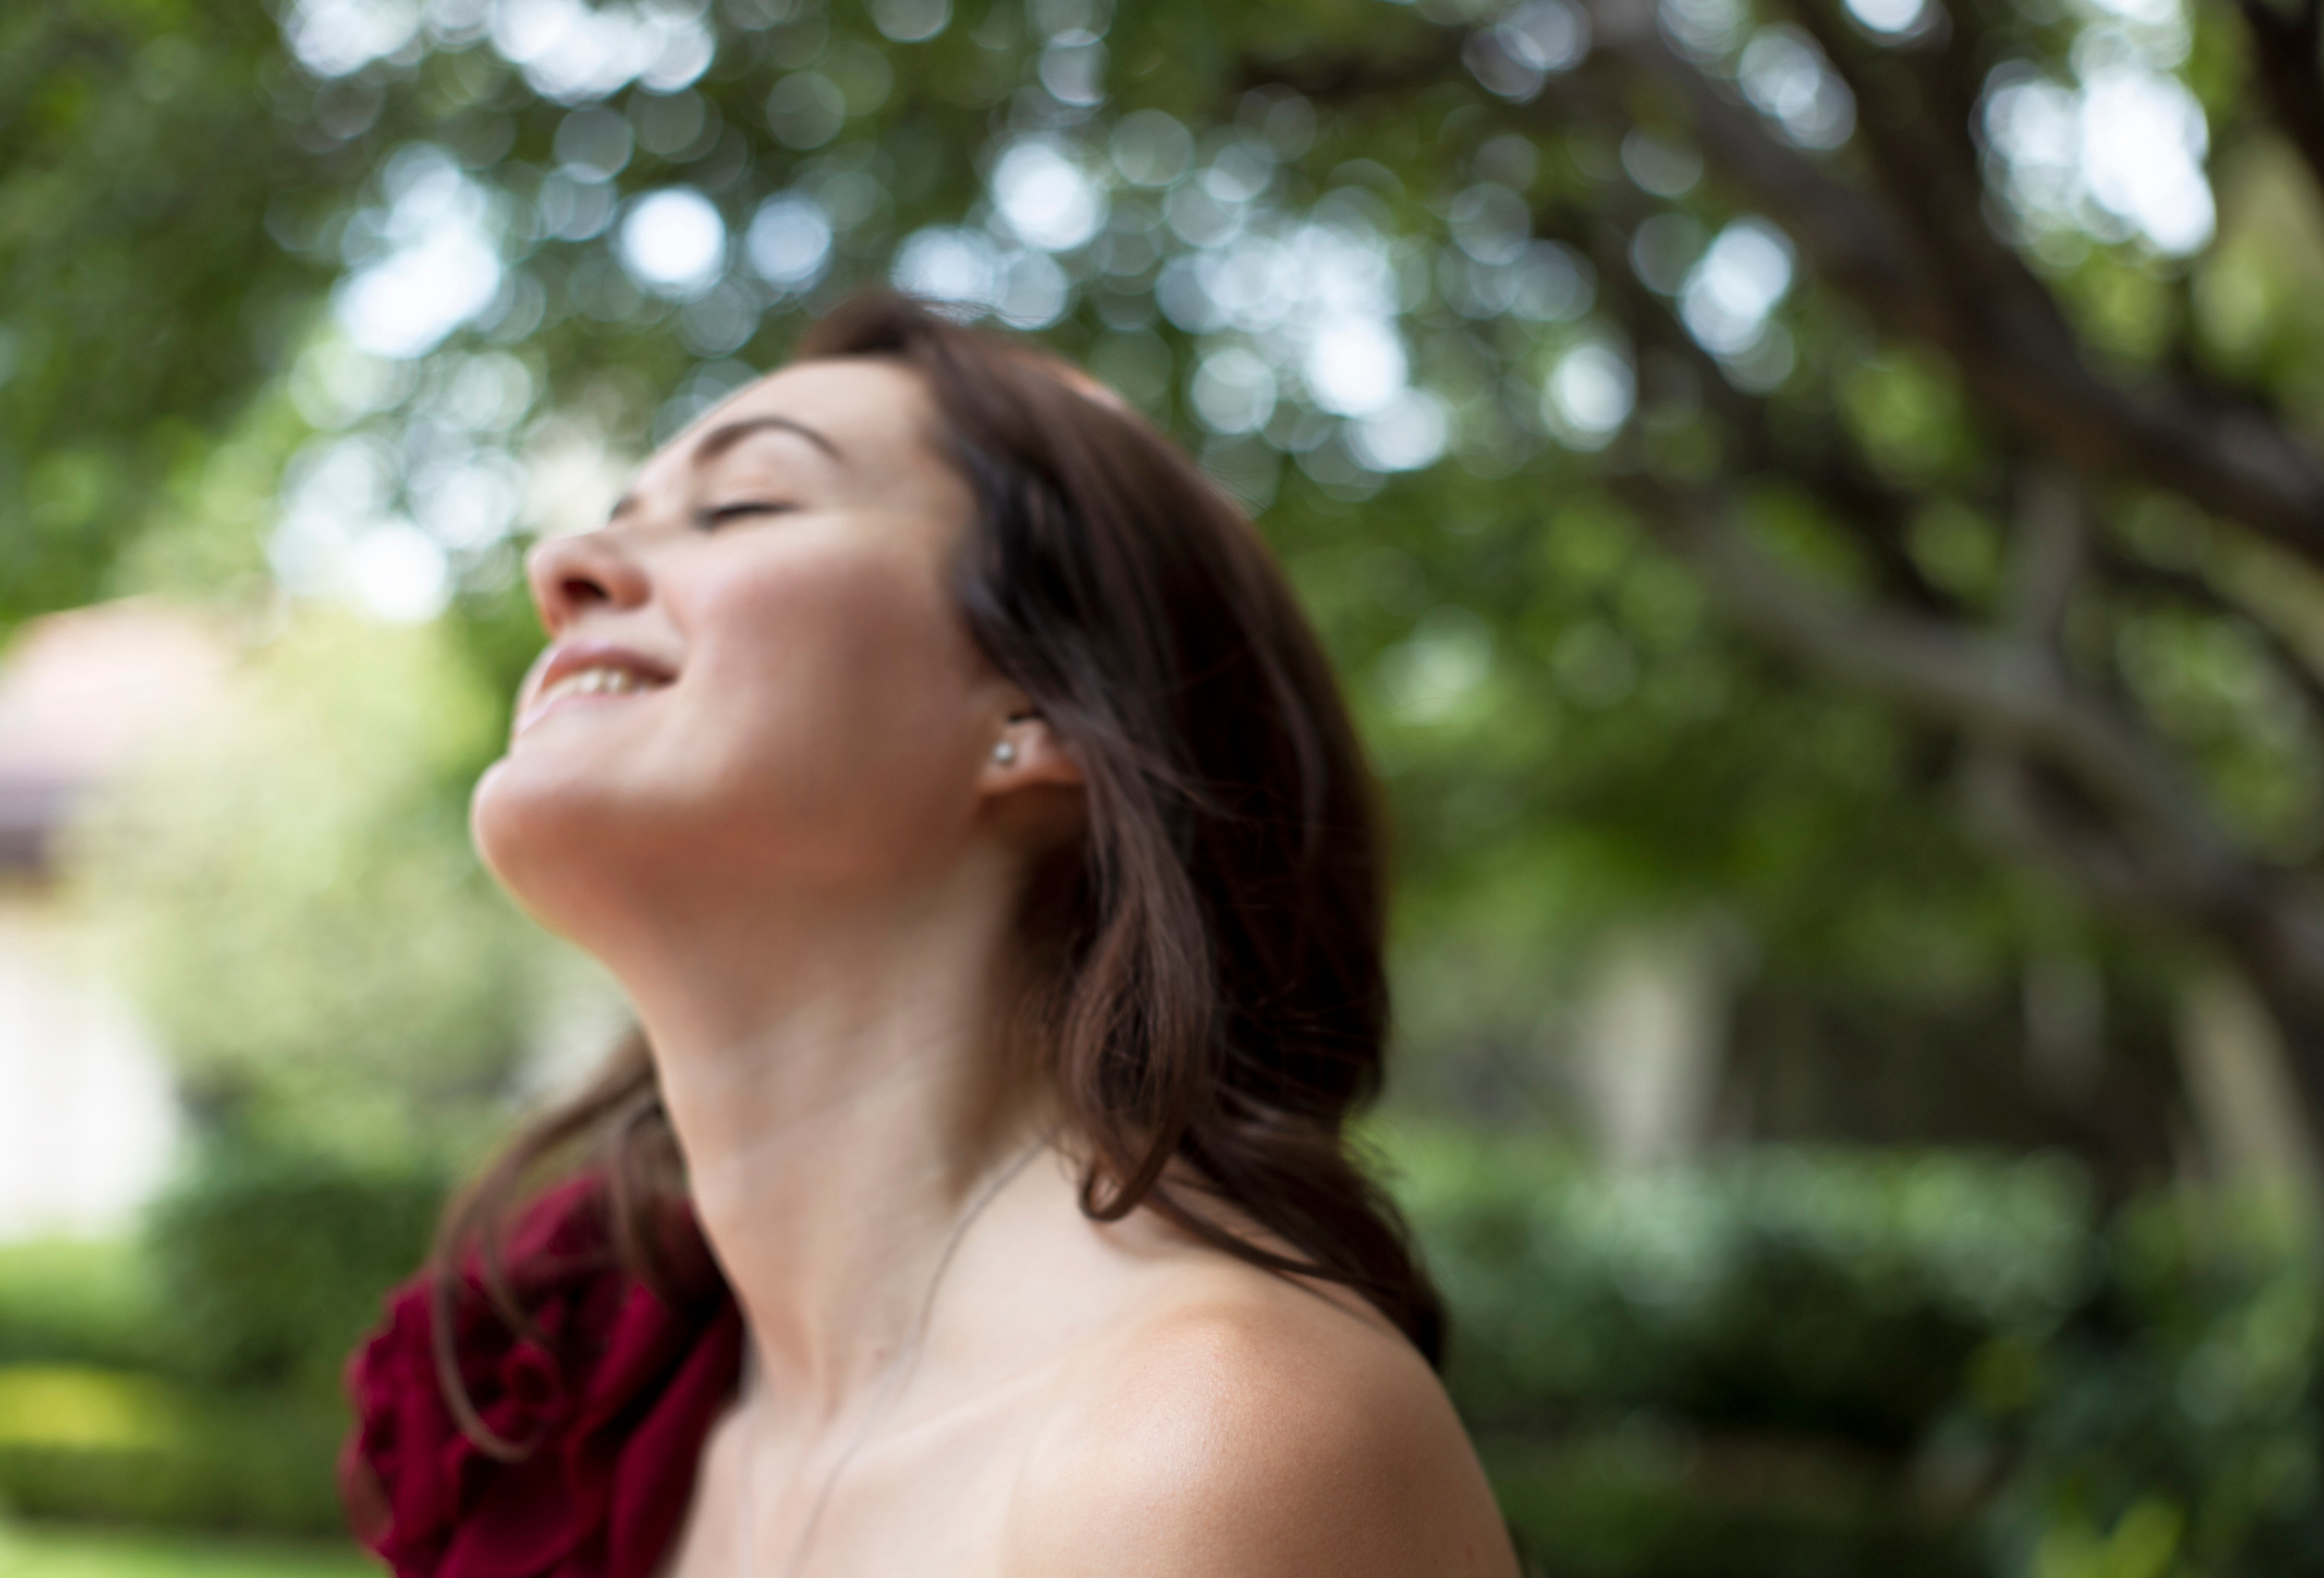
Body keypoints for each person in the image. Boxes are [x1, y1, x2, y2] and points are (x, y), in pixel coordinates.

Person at [342, 289, 1522, 1578]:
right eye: (618, 511)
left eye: (744, 505)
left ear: (1041, 707)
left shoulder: (1200, 1447)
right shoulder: (575, 1399)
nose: (560, 567)